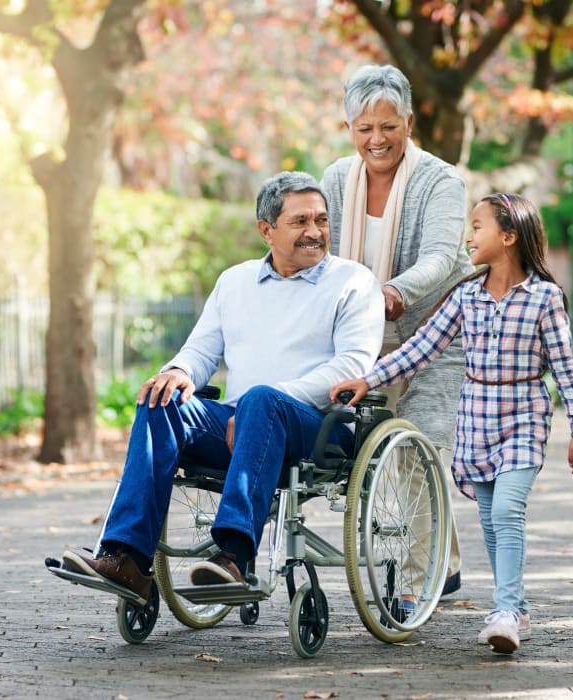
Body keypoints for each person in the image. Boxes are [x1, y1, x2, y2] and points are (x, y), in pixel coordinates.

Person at [59, 171, 385, 602]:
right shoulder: (235, 282)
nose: (315, 232)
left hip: (317, 429)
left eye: (322, 220)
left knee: (261, 400)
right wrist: (178, 372)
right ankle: (126, 559)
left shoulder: (354, 282)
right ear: (266, 230)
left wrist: (268, 401)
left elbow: (351, 367)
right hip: (239, 423)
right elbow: (200, 352)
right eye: (301, 221)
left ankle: (233, 557)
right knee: (161, 401)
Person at [329, 192, 573, 654]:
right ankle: (518, 607)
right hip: (474, 419)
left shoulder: (545, 298)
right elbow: (420, 349)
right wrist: (367, 379)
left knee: (509, 511)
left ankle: (506, 611)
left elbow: (565, 367)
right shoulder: (465, 295)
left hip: (523, 418)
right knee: (491, 520)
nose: (468, 236)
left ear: (508, 237)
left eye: (477, 226)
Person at [319, 64, 472, 598]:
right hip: (366, 338)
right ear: (349, 130)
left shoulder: (441, 180)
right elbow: (321, 251)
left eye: (389, 126)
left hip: (438, 338)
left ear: (408, 121)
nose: (377, 139)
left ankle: (411, 588)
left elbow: (438, 258)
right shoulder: (336, 180)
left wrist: (393, 291)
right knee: (376, 453)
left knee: (416, 448)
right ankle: (441, 565)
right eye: (365, 129)